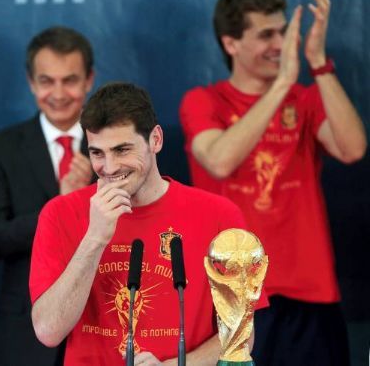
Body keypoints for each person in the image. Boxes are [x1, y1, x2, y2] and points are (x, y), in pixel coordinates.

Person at [179, 0, 366, 365]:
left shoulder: (307, 99)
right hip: (232, 296)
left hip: (309, 295)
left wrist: (318, 63)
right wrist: (282, 83)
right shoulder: (204, 101)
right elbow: (219, 160)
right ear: (231, 43)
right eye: (267, 34)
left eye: (283, 32)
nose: (281, 44)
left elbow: (353, 149)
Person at [29, 82, 262, 365]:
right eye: (97, 153)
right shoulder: (60, 213)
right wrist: (94, 239)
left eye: (122, 150)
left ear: (156, 139)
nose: (110, 167)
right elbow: (48, 331)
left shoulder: (220, 215)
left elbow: (241, 335)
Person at [0, 26, 95, 366]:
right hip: (24, 328)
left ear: (89, 80)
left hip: (101, 318)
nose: (58, 93)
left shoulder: (114, 145)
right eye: (46, 81)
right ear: (31, 82)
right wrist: (57, 207)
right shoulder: (3, 148)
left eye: (69, 80)